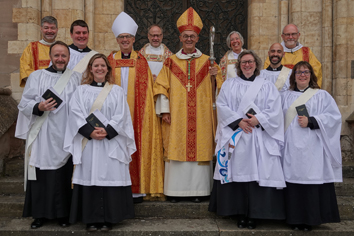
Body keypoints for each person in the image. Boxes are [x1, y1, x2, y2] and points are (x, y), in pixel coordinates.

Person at [209, 50, 286, 229]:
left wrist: (258, 119)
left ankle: (254, 214)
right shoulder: (229, 84)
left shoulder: (266, 86)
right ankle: (239, 213)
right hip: (236, 135)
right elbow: (221, 105)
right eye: (243, 62)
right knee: (238, 174)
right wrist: (238, 122)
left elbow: (275, 109)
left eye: (250, 62)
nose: (247, 65)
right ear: (239, 65)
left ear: (256, 64)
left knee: (255, 175)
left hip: (257, 135)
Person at [154, 7, 223, 203]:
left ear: (198, 38)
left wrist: (215, 77)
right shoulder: (170, 62)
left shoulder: (208, 62)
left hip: (201, 116)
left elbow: (220, 90)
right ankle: (175, 192)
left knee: (200, 147)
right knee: (177, 148)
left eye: (192, 36)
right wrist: (164, 110)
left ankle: (199, 192)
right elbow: (160, 86)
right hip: (177, 116)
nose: (189, 39)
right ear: (180, 37)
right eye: (186, 36)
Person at [64, 54, 136, 231]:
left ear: (108, 69)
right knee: (90, 176)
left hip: (111, 142)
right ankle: (91, 219)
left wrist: (108, 130)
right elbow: (75, 113)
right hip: (89, 143)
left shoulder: (116, 91)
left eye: (103, 66)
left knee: (109, 176)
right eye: (96, 66)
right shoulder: (81, 91)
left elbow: (122, 114)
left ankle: (109, 219)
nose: (99, 69)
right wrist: (90, 131)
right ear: (90, 69)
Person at [15, 41, 81, 229]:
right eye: (56, 55)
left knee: (63, 176)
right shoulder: (36, 76)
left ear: (69, 58)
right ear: (50, 57)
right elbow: (24, 104)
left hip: (65, 135)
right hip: (43, 134)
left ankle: (63, 214)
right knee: (42, 175)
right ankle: (39, 215)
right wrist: (39, 107)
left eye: (64, 56)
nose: (60, 59)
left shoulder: (75, 78)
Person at [107, 12, 164, 202]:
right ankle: (115, 187)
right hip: (113, 116)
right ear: (117, 39)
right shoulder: (108, 60)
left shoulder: (141, 61)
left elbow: (147, 90)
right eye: (122, 37)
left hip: (136, 116)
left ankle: (136, 190)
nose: (125, 40)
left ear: (133, 39)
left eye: (128, 37)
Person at [281, 61, 342, 231]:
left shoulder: (321, 95)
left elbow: (334, 118)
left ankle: (310, 219)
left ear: (311, 75)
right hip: (290, 148)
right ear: (294, 76)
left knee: (310, 181)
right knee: (292, 181)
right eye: (299, 72)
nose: (302, 75)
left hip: (312, 148)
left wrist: (312, 120)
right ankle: (293, 219)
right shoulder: (285, 96)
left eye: (306, 72)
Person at [20, 16, 58, 87]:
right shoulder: (31, 47)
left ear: (57, 29)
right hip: (37, 88)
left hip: (59, 89)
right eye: (46, 28)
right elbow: (25, 69)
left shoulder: (63, 48)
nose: (49, 31)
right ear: (41, 29)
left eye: (52, 28)